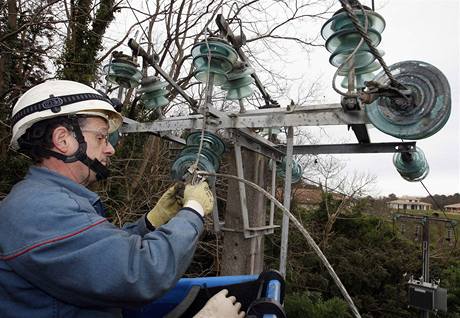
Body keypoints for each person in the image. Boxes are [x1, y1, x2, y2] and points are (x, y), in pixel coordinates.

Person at [0, 80, 244, 318]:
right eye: (101, 137)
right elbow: (141, 273)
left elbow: (102, 257)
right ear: (63, 139)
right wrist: (194, 209)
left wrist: (151, 222)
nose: (110, 149)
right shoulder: (39, 211)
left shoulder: (49, 201)